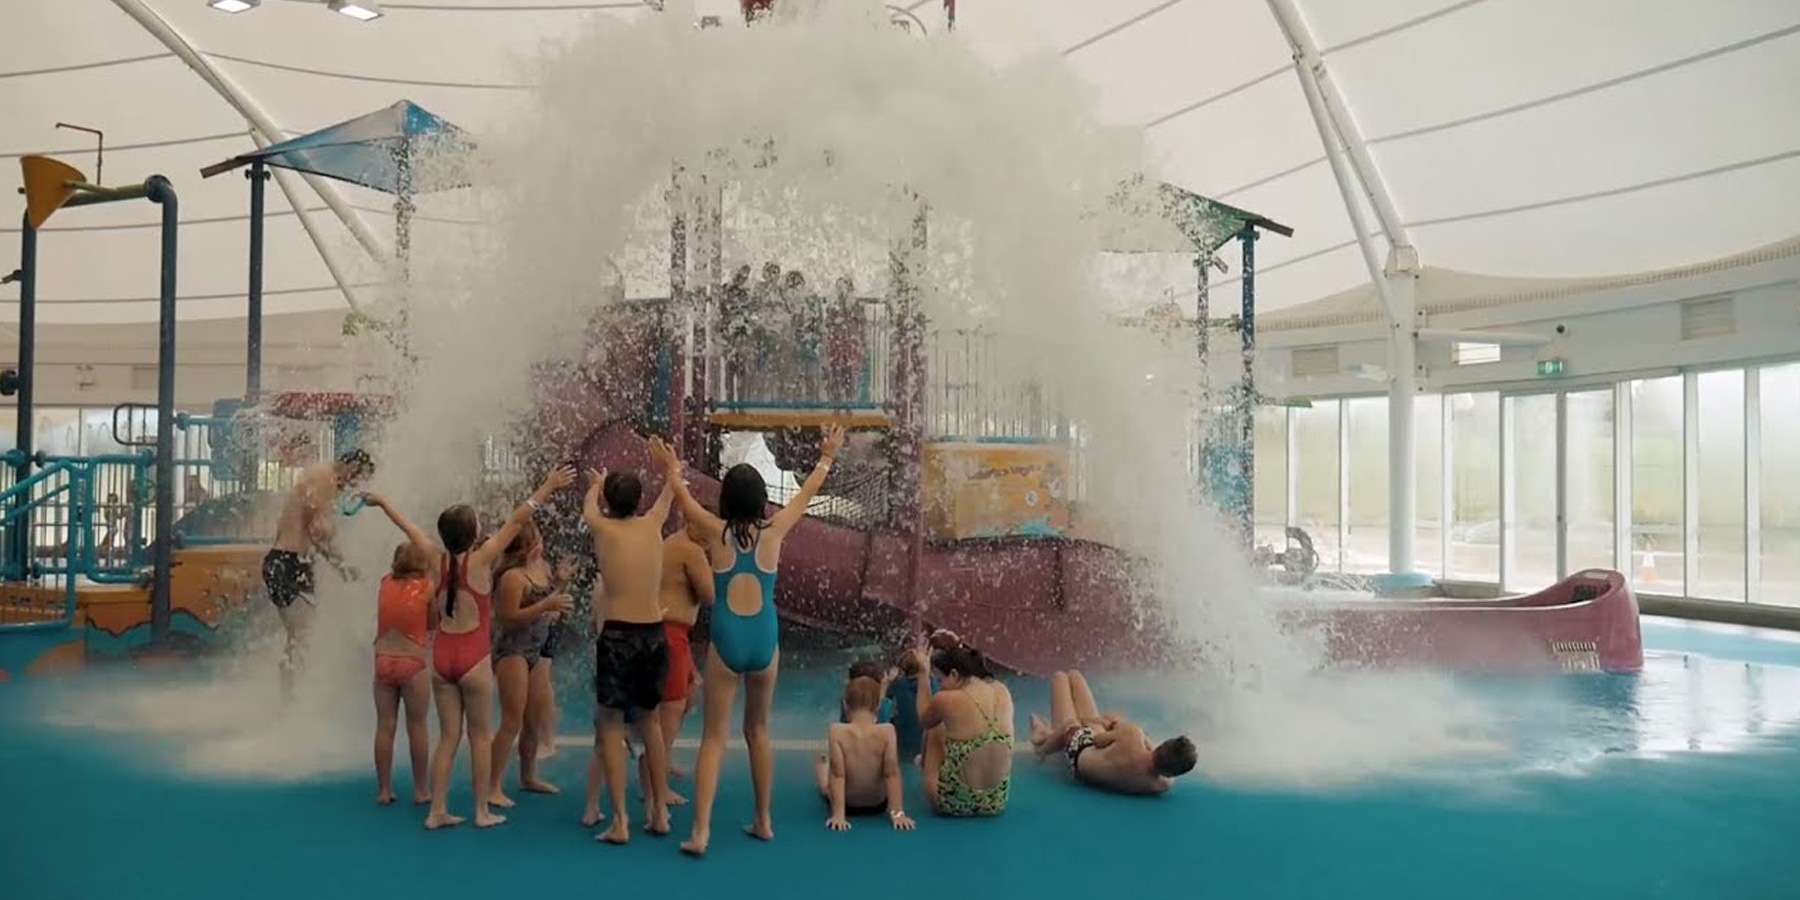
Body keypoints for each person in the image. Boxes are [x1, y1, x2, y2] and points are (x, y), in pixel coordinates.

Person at [667, 422, 847, 856]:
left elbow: (685, 500)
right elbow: (806, 496)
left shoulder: (714, 532)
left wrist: (671, 469)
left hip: (727, 639)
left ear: (726, 500)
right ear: (763, 500)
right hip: (764, 640)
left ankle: (701, 833)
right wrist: (826, 456)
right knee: (758, 732)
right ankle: (764, 820)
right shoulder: (775, 532)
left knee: (713, 738)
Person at [386, 466, 574, 831]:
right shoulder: (484, 558)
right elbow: (521, 516)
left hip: (441, 659)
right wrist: (548, 485)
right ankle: (481, 810)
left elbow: (407, 527)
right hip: (473, 660)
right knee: (480, 738)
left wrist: (382, 503)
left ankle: (436, 810)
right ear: (473, 534)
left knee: (449, 738)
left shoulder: (433, 558)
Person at [581, 442, 680, 845]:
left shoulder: (602, 527)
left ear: (609, 503)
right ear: (640, 501)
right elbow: (672, 487)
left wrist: (596, 485)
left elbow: (589, 508)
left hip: (619, 634)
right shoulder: (654, 522)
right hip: (654, 632)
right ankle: (658, 811)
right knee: (650, 722)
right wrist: (670, 465)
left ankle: (620, 819)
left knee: (610, 723)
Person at [262, 448, 375, 699]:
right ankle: (291, 701)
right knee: (303, 636)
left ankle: (291, 698)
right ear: (350, 467)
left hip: (282, 561)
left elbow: (300, 525)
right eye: (356, 478)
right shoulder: (326, 479)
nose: (352, 485)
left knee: (298, 637)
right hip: (288, 562)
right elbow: (317, 531)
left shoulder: (317, 475)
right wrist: (341, 565)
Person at [486, 518, 576, 809]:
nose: (542, 541)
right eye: (536, 537)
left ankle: (528, 776)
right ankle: (492, 785)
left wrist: (561, 580)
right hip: (512, 650)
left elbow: (549, 602)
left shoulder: (542, 568)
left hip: (535, 650)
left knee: (534, 718)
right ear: (525, 547)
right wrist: (546, 606)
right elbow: (508, 618)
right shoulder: (511, 577)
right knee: (512, 719)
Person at [637, 513, 715, 805]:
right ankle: (654, 784)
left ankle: (662, 759)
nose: (711, 540)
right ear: (691, 522)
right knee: (670, 708)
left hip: (666, 631)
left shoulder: (673, 542)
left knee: (691, 690)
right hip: (670, 634)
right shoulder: (690, 550)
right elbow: (709, 596)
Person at [362, 514, 436, 807]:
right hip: (412, 662)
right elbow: (431, 623)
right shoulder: (427, 586)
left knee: (385, 726)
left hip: (383, 661)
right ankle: (421, 790)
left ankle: (383, 789)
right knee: (417, 726)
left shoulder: (384, 582)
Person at [1028, 670, 1197, 795]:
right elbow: (1156, 763)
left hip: (1079, 754)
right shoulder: (1162, 784)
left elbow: (1098, 741)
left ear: (1161, 746)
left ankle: (1041, 745)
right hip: (1091, 765)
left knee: (1062, 678)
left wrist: (1113, 723)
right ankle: (1048, 733)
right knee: (1077, 682)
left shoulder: (1133, 735)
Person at [914, 641, 1014, 817]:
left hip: (951, 804)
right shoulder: (1002, 690)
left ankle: (924, 763)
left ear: (954, 674)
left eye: (940, 679)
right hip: (996, 802)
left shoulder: (946, 699)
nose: (940, 685)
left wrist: (923, 674)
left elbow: (923, 718)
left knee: (935, 727)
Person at [817, 676, 915, 832]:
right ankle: (823, 764)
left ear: (845, 705)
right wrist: (898, 813)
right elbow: (892, 774)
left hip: (848, 805)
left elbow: (838, 775)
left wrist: (839, 815)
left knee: (826, 784)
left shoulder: (836, 731)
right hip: (878, 805)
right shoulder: (888, 731)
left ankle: (822, 766)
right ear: (878, 707)